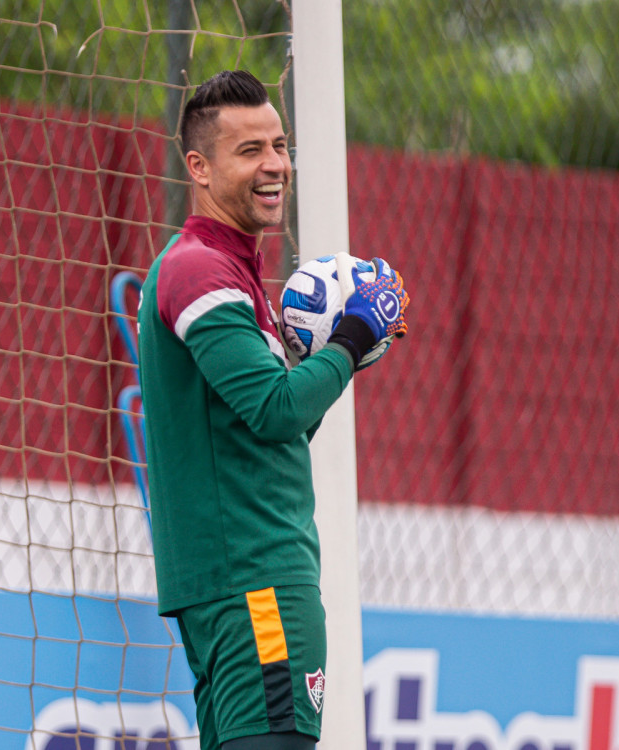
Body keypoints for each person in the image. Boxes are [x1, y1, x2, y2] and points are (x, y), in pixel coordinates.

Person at [136, 70, 409, 750]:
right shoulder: (201, 270)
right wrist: (350, 336)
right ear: (198, 167)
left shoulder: (230, 273)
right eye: (251, 150)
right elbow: (274, 411)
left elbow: (273, 429)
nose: (276, 165)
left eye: (280, 145)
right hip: (258, 584)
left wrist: (349, 354)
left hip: (235, 586)